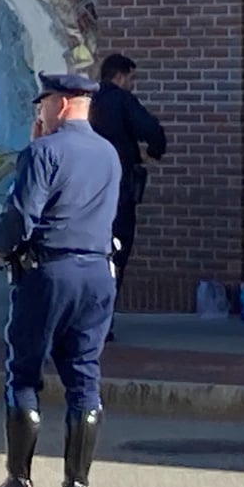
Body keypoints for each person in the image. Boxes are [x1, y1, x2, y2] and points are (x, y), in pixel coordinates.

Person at [0, 72, 121, 487]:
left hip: (49, 272)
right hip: (98, 273)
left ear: (58, 104)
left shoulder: (43, 152)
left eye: (41, 104)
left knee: (24, 374)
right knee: (84, 378)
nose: (38, 113)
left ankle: (18, 484)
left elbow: (21, 217)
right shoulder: (109, 153)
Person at [88, 53, 167, 341]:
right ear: (120, 76)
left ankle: (83, 319)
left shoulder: (87, 102)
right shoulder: (122, 100)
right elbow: (152, 130)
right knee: (116, 254)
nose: (131, 84)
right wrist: (155, 152)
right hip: (118, 192)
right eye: (130, 78)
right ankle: (103, 322)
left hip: (85, 194)